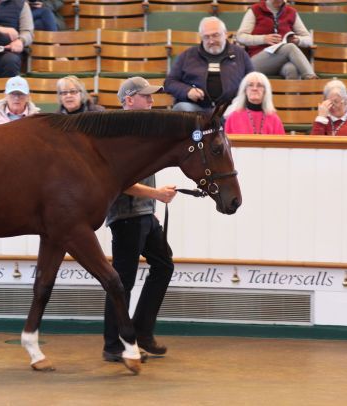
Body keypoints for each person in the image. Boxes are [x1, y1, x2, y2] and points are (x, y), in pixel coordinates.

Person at [102, 76, 177, 363]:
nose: (152, 100)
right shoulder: (119, 135)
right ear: (129, 99)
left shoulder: (139, 132)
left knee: (163, 266)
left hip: (143, 213)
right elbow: (118, 181)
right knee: (121, 282)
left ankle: (141, 331)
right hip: (127, 216)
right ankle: (113, 345)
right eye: (146, 96)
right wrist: (156, 193)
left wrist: (154, 196)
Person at [165, 16, 253, 113]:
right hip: (197, 109)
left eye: (215, 35)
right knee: (182, 108)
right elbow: (169, 82)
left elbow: (252, 81)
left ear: (225, 34)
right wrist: (187, 91)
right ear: (201, 38)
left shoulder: (240, 54)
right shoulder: (187, 55)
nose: (211, 41)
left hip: (230, 109)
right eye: (206, 37)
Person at [236, 0, 318, 80]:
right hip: (256, 61)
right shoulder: (255, 10)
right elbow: (240, 37)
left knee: (292, 69)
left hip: (280, 60)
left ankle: (294, 93)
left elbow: (309, 39)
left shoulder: (291, 12)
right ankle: (312, 79)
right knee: (289, 47)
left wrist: (298, 40)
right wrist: (263, 39)